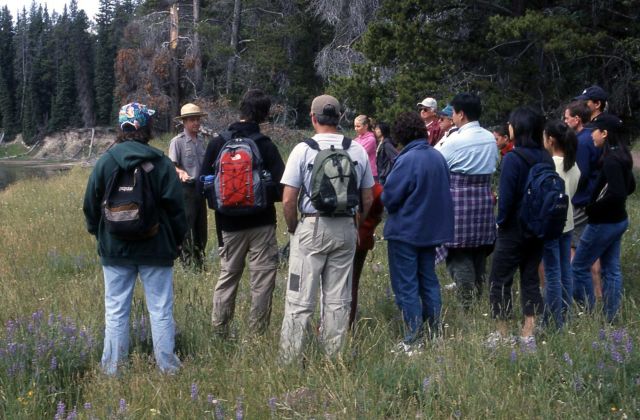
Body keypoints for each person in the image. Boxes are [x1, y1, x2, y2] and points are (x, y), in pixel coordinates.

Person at [83, 103, 187, 375]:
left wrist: (100, 234)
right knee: (160, 309)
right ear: (145, 128)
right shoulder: (161, 162)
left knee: (116, 310)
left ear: (123, 128)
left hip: (114, 249)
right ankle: (167, 367)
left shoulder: (106, 160)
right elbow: (177, 207)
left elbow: (90, 205)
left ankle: (113, 369)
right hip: (156, 247)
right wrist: (177, 240)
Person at [279, 94, 374, 362]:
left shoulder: (303, 149)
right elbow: (367, 197)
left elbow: (288, 198)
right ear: (340, 118)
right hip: (345, 228)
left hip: (311, 224)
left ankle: (290, 358)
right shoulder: (356, 150)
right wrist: (356, 224)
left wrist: (294, 228)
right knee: (337, 299)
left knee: (299, 297)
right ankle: (332, 358)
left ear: (313, 117)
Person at [200, 89, 285, 336]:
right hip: (262, 223)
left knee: (228, 278)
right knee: (262, 282)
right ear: (264, 115)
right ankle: (256, 336)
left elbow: (203, 184)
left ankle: (220, 332)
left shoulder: (218, 142)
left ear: (242, 109)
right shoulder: (264, 144)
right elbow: (282, 187)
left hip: (228, 225)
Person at [382, 111, 454, 353]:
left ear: (400, 135)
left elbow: (390, 197)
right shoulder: (437, 157)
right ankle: (434, 333)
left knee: (406, 285)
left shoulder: (407, 160)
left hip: (406, 231)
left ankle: (413, 338)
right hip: (431, 231)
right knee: (429, 281)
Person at [488, 106, 550, 345]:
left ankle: (502, 333)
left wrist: (500, 223)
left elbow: (507, 197)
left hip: (513, 228)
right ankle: (529, 332)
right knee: (530, 278)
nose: (509, 127)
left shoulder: (513, 158)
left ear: (519, 128)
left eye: (511, 124)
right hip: (538, 227)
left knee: (499, 280)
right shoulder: (545, 156)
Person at [434, 93, 498, 309]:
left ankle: (467, 302)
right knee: (479, 252)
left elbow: (436, 162)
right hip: (483, 199)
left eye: (453, 112)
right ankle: (479, 298)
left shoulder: (456, 140)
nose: (452, 116)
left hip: (459, 201)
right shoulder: (490, 137)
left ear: (461, 114)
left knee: (459, 254)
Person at [572, 113, 635, 323]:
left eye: (595, 132)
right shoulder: (622, 156)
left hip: (604, 222)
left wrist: (593, 209)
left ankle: (588, 313)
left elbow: (617, 193)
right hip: (618, 220)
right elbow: (631, 186)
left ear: (605, 134)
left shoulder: (611, 161)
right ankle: (611, 317)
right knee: (611, 269)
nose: (592, 136)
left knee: (579, 266)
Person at [541, 120, 580, 329]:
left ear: (551, 140)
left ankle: (553, 320)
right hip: (569, 222)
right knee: (565, 270)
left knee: (552, 274)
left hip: (552, 224)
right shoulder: (573, 165)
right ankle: (565, 314)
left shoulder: (550, 165)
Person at [564, 100, 603, 298]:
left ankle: (578, 295)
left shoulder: (581, 141)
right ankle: (597, 294)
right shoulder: (592, 136)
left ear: (577, 119)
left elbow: (581, 173)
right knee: (592, 251)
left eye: (566, 117)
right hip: (593, 201)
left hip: (580, 201)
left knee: (573, 247)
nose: (565, 121)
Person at [168, 103, 209, 269]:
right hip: (186, 191)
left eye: (198, 119)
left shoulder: (201, 141)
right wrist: (181, 173)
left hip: (201, 189)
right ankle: (187, 263)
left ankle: (199, 261)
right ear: (184, 122)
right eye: (192, 120)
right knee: (188, 228)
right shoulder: (177, 142)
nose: (196, 123)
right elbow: (171, 165)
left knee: (201, 228)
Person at [354, 115, 378, 180]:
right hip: (361, 172)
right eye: (355, 126)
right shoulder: (357, 139)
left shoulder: (371, 140)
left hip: (370, 174)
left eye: (358, 126)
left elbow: (357, 153)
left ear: (366, 126)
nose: (355, 129)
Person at [374, 121, 398, 185]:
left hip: (385, 177)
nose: (375, 130)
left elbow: (395, 158)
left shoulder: (386, 144)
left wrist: (386, 171)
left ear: (383, 130)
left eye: (377, 129)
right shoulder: (381, 143)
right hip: (381, 175)